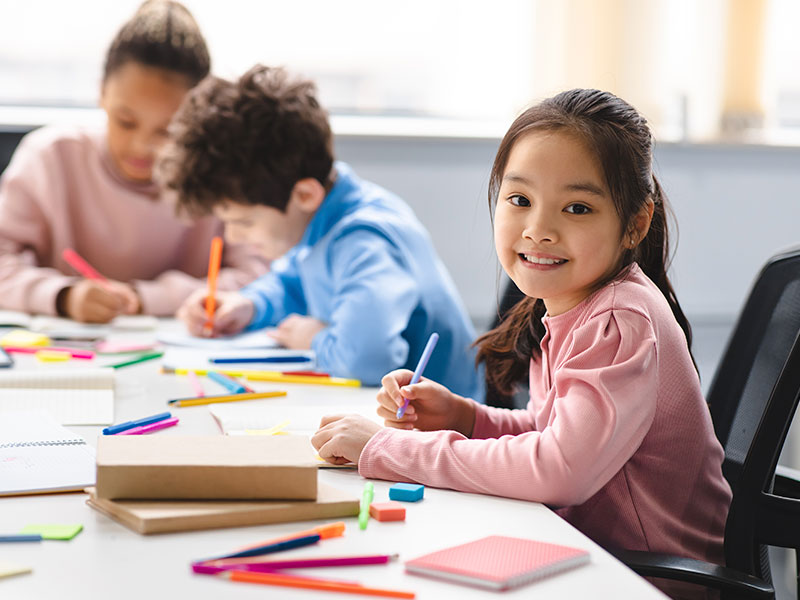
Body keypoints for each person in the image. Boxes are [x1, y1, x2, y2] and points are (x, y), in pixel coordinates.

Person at [311, 89, 732, 594]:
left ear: (634, 224)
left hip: (644, 578)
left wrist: (390, 448)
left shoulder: (620, 321)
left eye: (577, 207)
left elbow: (560, 470)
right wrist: (465, 417)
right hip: (594, 554)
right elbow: (552, 430)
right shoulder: (572, 305)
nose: (538, 229)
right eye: (519, 200)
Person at [160, 65, 483, 397]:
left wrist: (311, 338)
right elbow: (294, 284)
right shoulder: (321, 214)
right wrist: (249, 305)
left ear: (304, 195)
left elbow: (369, 359)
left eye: (243, 222)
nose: (233, 237)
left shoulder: (362, 240)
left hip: (444, 430)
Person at [0, 0, 267, 322]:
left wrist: (149, 299)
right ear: (101, 94)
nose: (142, 147)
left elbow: (263, 276)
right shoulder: (50, 157)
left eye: (168, 130)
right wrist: (62, 296)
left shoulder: (221, 173)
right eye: (125, 121)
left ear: (197, 116)